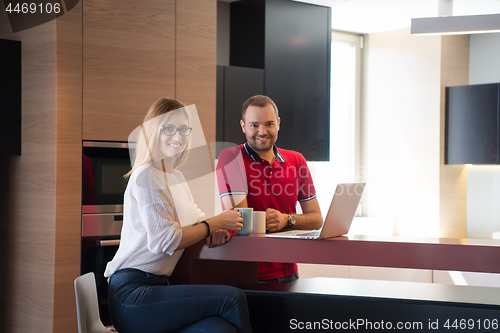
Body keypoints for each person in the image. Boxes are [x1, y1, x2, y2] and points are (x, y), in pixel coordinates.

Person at [104, 98, 252, 333]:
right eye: (169, 128)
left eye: (183, 129)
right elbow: (165, 241)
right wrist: (215, 222)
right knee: (232, 298)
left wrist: (216, 227)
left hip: (158, 289)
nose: (178, 136)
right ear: (154, 131)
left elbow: (196, 218)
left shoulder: (176, 177)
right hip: (133, 294)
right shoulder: (145, 176)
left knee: (221, 329)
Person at [215, 95, 323, 282]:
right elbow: (240, 221)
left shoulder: (297, 160)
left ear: (278, 124)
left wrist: (286, 219)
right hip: (246, 273)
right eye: (254, 125)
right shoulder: (231, 157)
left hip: (289, 271)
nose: (262, 131)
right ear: (243, 126)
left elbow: (316, 219)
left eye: (269, 124)